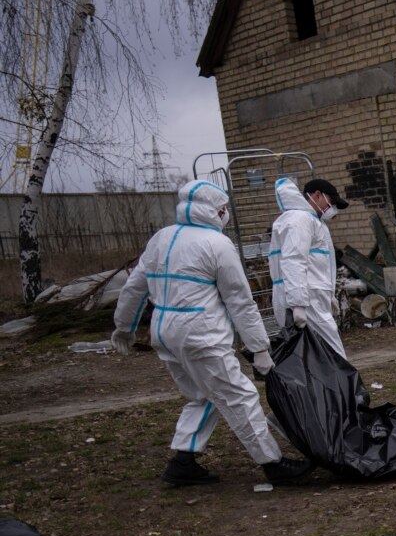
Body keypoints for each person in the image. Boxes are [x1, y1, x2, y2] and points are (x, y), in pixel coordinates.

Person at [108, 180, 315, 487]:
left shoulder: (161, 238)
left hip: (165, 333)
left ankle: (183, 461)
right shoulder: (217, 244)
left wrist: (123, 326)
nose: (225, 215)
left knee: (202, 395)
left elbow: (135, 285)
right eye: (224, 210)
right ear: (217, 211)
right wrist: (259, 347)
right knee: (239, 396)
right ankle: (273, 463)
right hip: (200, 334)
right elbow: (240, 301)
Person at [269, 176, 348, 357]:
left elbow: (319, 264)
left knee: (312, 355)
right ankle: (342, 385)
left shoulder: (310, 221)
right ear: (317, 195)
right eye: (331, 201)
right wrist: (298, 303)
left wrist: (329, 294)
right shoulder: (300, 220)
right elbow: (293, 260)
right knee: (331, 353)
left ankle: (330, 385)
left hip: (309, 296)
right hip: (306, 298)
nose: (333, 208)